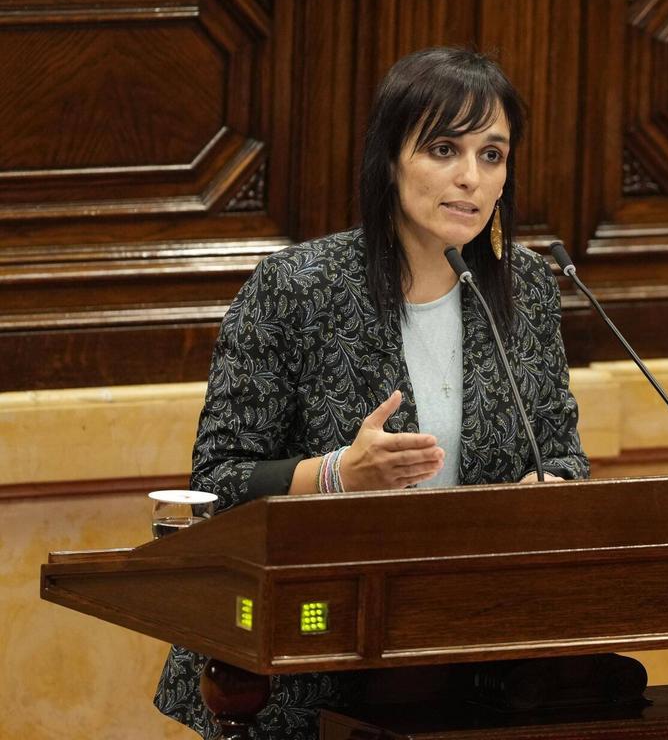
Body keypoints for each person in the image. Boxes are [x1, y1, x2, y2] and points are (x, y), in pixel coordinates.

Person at [154, 47, 589, 739]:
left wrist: (549, 485)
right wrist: (337, 475)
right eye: (444, 149)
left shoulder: (526, 287)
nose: (471, 177)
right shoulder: (296, 288)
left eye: (492, 155)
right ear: (390, 159)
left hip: (468, 663)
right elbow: (216, 484)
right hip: (304, 659)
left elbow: (564, 454)